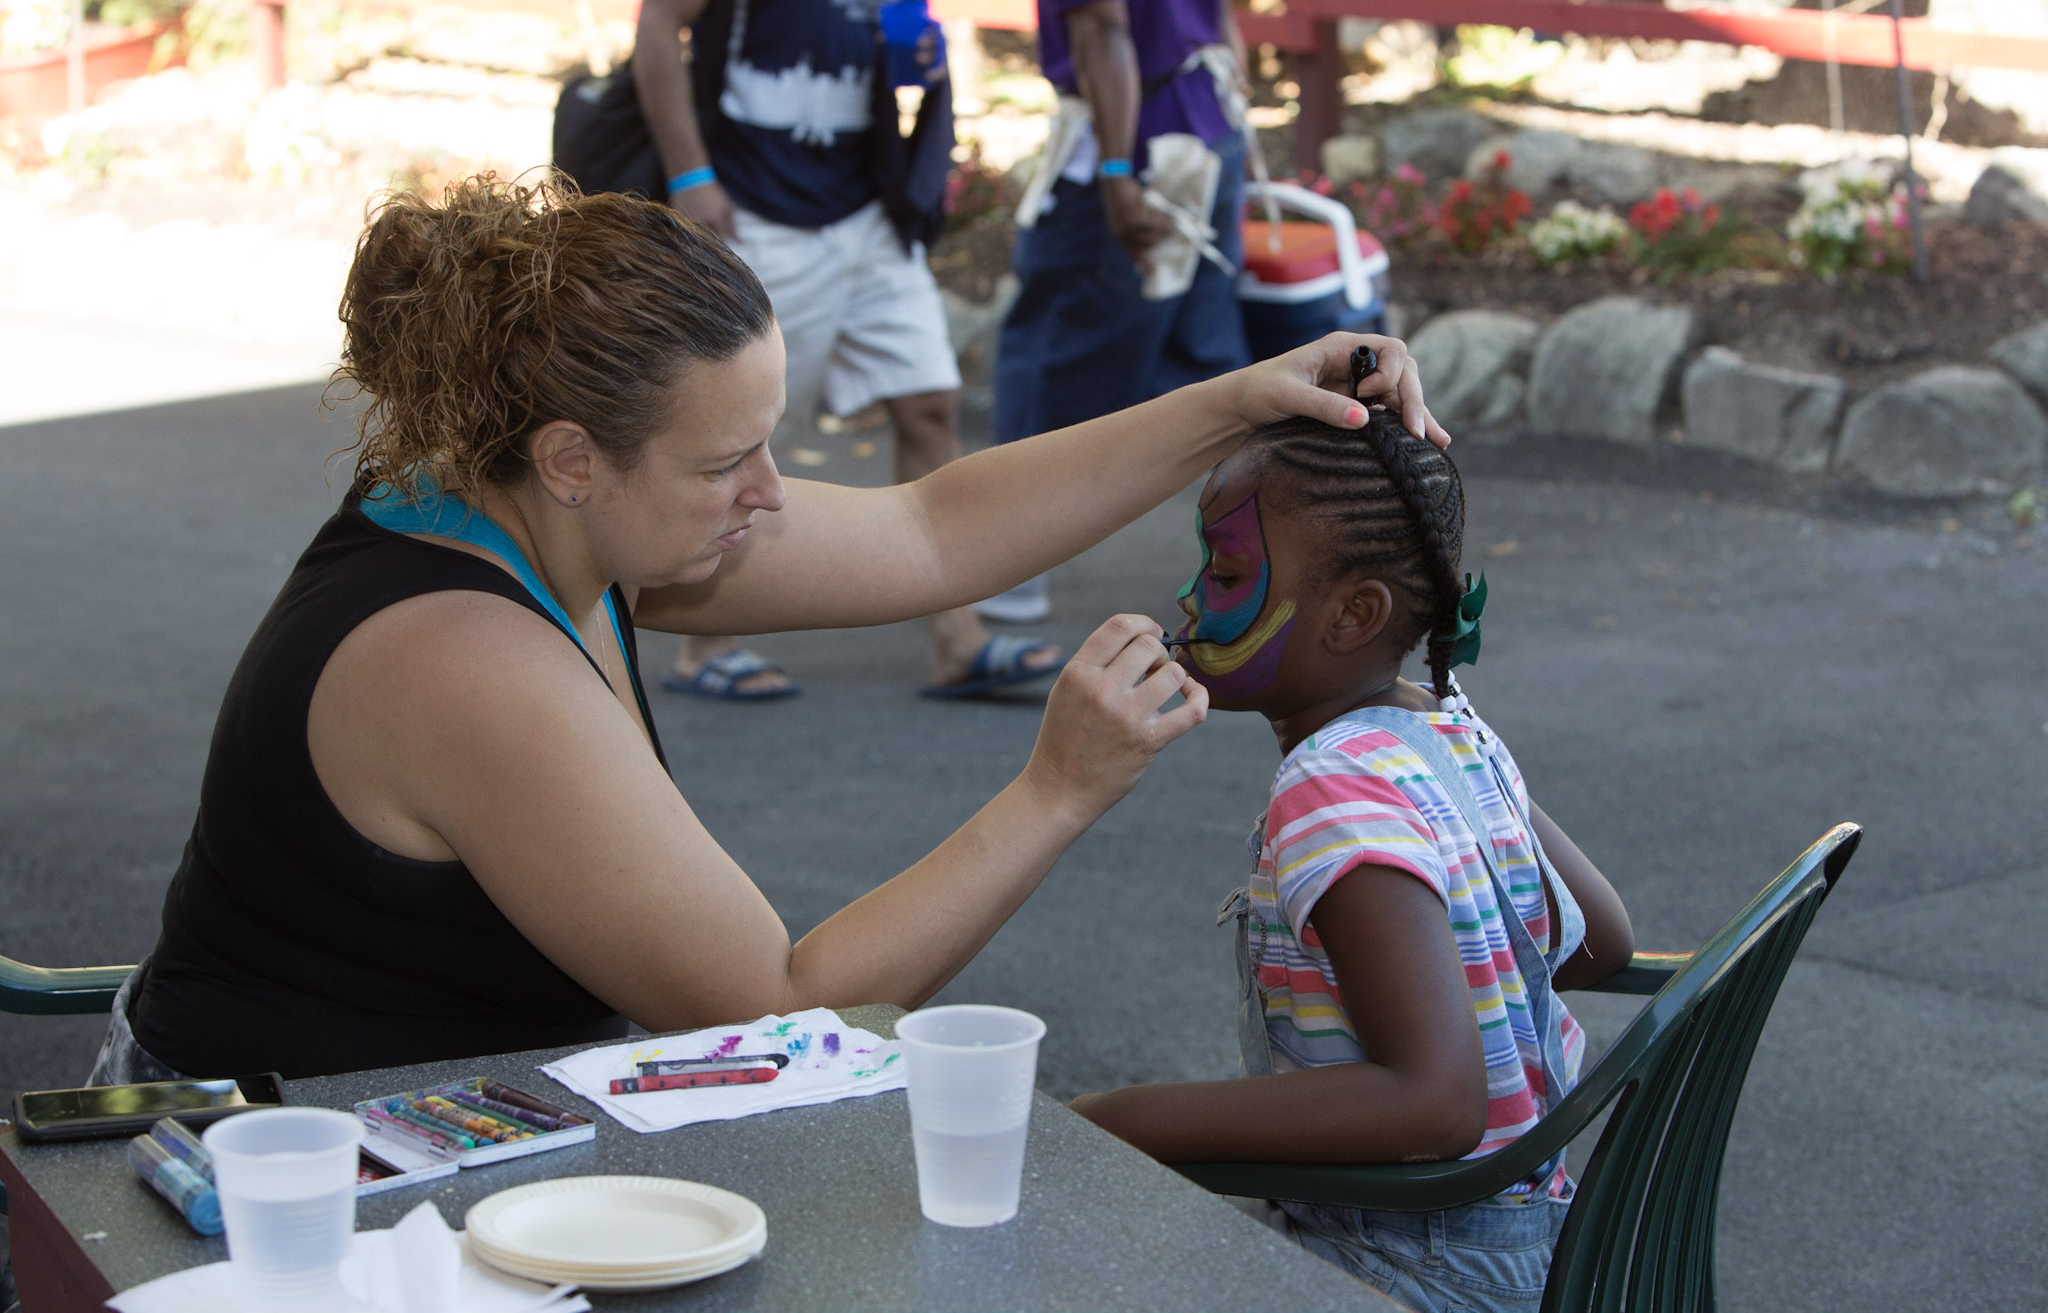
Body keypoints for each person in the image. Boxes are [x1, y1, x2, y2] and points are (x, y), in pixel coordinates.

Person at [88, 176, 1441, 1085]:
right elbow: (776, 1007)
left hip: (450, 1121)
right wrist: (1055, 789)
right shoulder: (462, 656)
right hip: (268, 1182)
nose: (771, 493)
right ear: (573, 456)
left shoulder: (545, 513)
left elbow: (930, 533)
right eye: (727, 459)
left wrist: (1241, 399)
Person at [1067, 411, 1633, 1313]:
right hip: (1533, 1242)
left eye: (1226, 573)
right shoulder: (1448, 725)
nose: (1187, 598)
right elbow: (1598, 939)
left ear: (1355, 613)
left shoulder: (1332, 786)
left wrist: (1118, 1118)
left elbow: (1436, 1105)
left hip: (1405, 1263)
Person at [630, 0, 1058, 700]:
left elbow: (902, 34)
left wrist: (920, 59)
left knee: (931, 399)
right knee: (743, 420)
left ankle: (957, 641)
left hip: (870, 207)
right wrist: (690, 173)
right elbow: (660, 21)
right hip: (756, 204)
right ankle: (708, 645)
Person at [981, 0, 1254, 625]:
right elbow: (1216, 5)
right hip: (1208, 124)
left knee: (1053, 359)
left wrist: (1113, 168)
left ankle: (1002, 566)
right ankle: (1260, 571)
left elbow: (1102, 29)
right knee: (1210, 364)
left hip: (1132, 142)